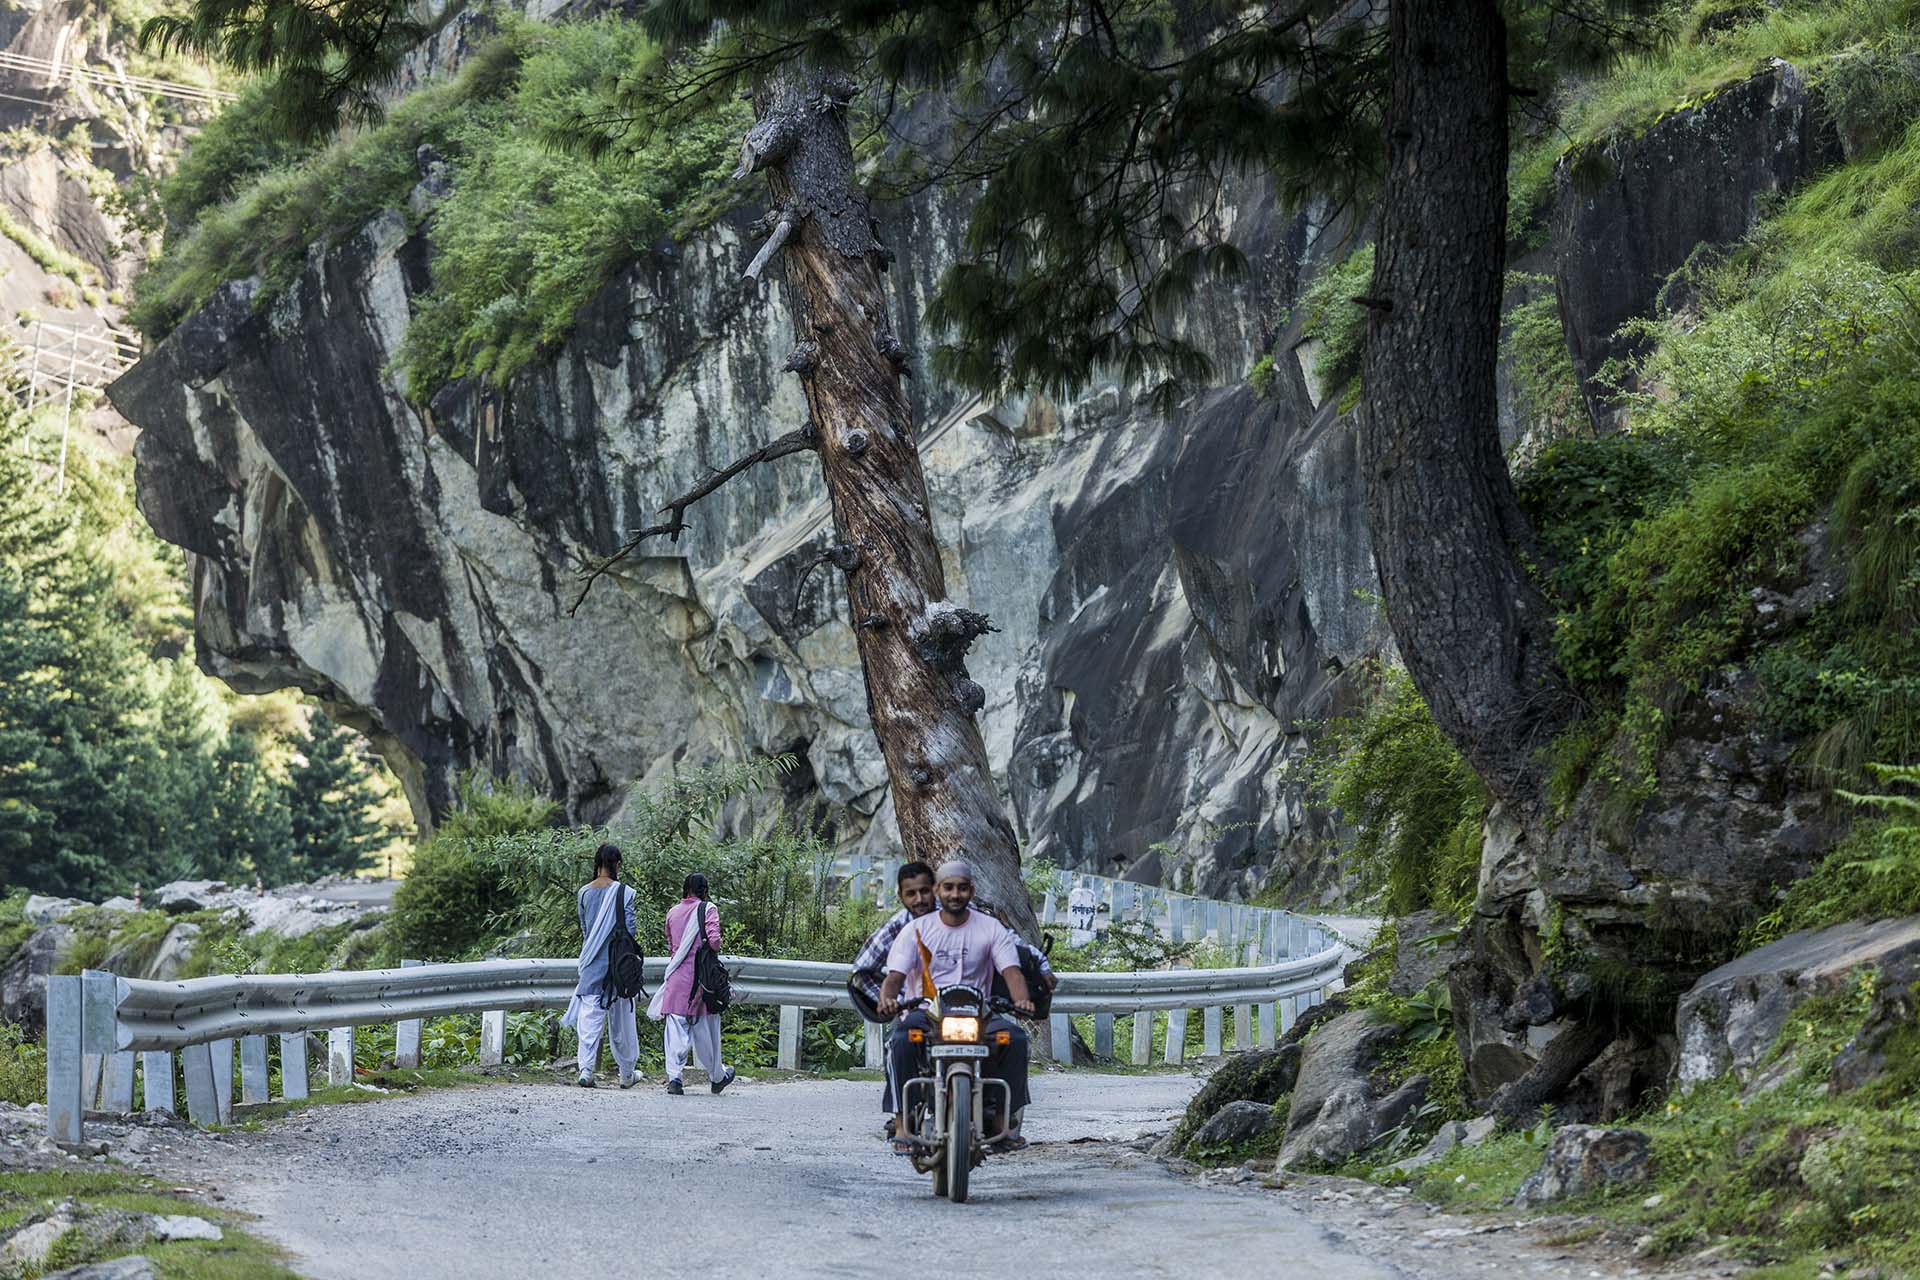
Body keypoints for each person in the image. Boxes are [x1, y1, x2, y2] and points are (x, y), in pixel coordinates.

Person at [851, 860, 1056, 1130]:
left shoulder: (990, 927)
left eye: (961, 888)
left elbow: (1012, 971)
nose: (955, 894)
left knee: (1015, 1039)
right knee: (900, 1040)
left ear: (971, 890)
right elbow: (894, 977)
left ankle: (1003, 1120)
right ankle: (902, 1122)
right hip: (926, 1012)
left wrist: (1022, 1000)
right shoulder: (914, 929)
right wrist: (889, 1000)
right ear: (939, 890)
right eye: (948, 888)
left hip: (980, 1012)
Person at [561, 843, 640, 1089]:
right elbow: (631, 930)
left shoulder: (583, 893)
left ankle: (586, 1070)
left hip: (592, 964)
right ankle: (627, 1075)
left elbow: (586, 930)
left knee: (589, 1018)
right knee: (622, 1024)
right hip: (619, 967)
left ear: (597, 864)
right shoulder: (626, 892)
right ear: (616, 865)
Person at [651, 872, 737, 1096]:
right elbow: (715, 942)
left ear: (685, 889)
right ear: (704, 890)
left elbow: (672, 947)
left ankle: (675, 1079)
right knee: (706, 1031)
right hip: (702, 981)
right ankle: (717, 1076)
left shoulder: (672, 912)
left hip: (677, 980)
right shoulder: (708, 909)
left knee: (675, 1030)